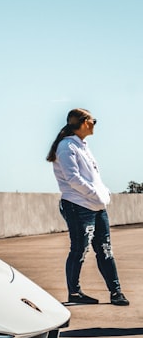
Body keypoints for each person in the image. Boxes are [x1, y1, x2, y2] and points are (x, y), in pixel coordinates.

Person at [47, 108, 129, 306]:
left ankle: (116, 292)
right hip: (78, 205)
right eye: (93, 121)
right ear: (84, 122)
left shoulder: (83, 146)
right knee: (79, 250)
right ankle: (74, 293)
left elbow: (93, 176)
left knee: (105, 249)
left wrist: (104, 192)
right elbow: (73, 179)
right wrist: (96, 194)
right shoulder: (67, 147)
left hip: (97, 206)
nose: (94, 124)